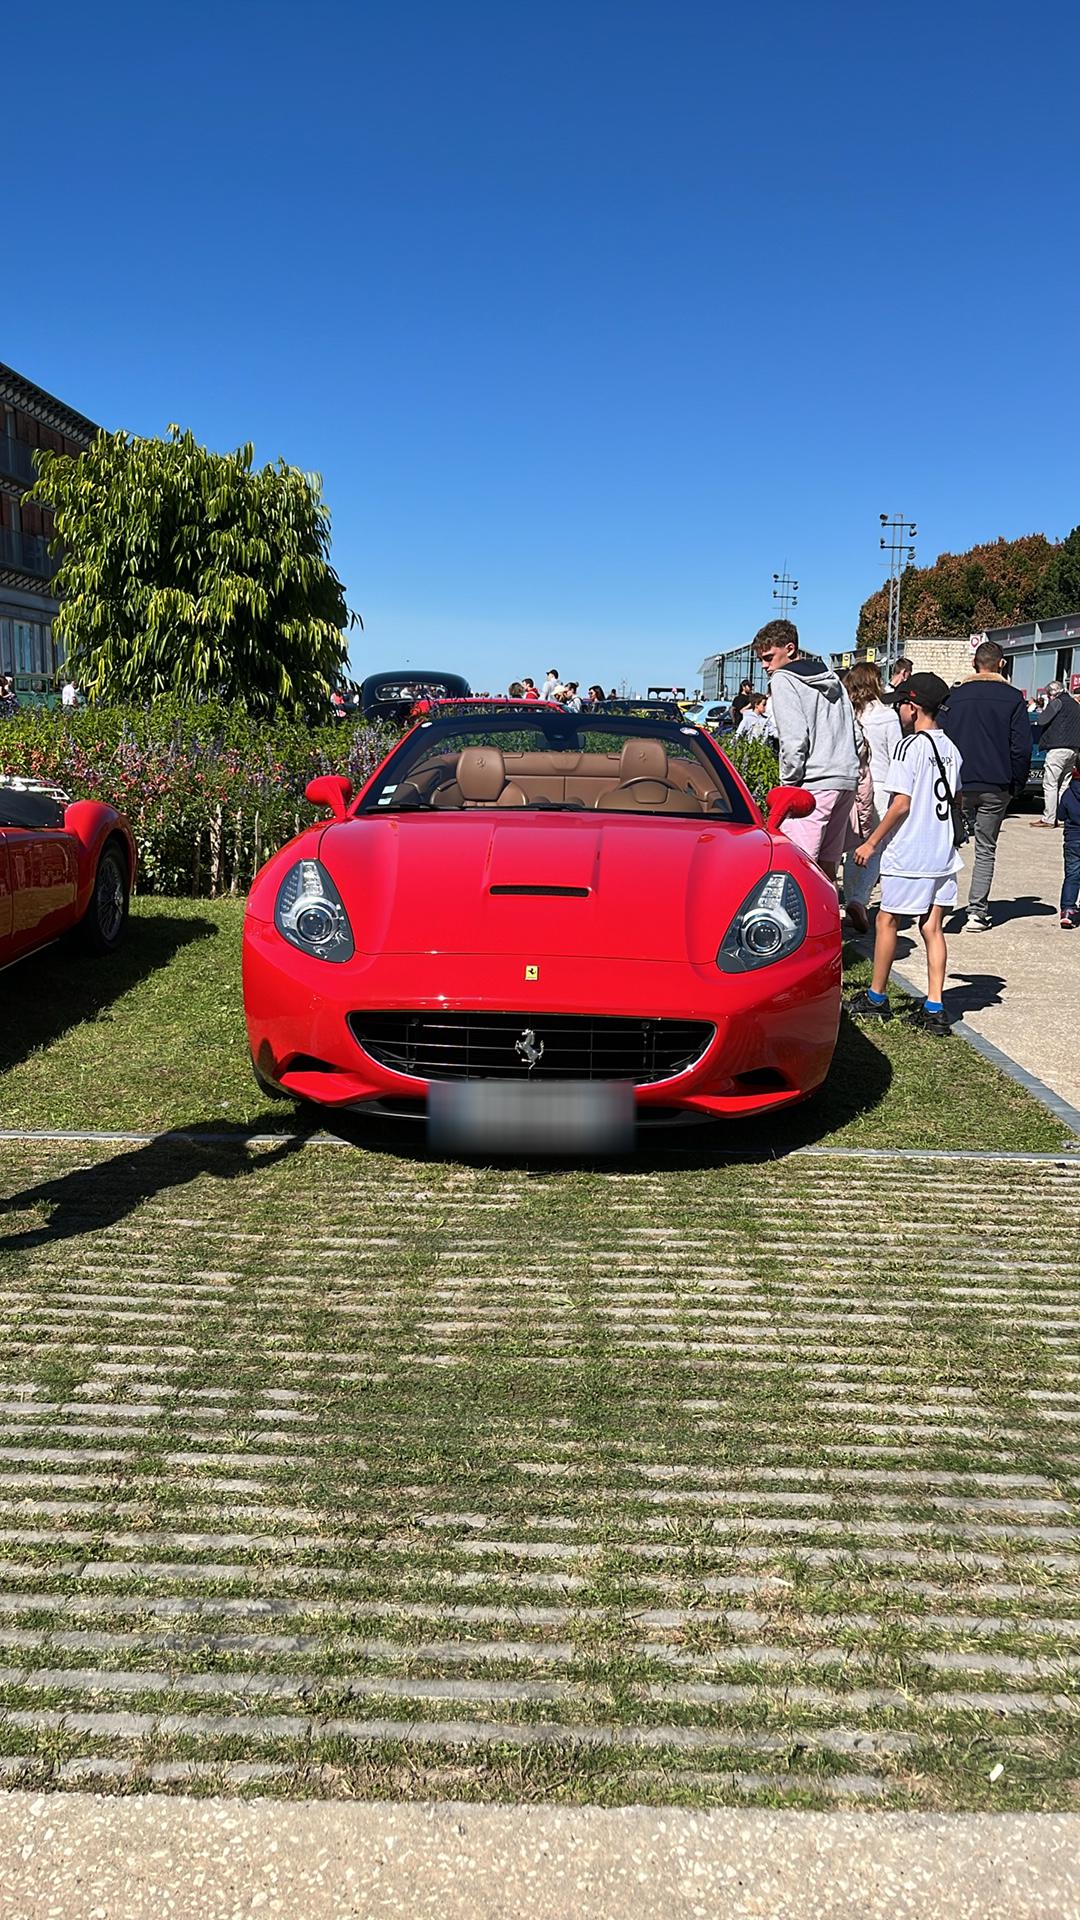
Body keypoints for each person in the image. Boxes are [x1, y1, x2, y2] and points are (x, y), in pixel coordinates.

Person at [847, 673, 963, 1036]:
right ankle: (934, 1006)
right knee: (932, 926)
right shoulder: (951, 748)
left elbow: (900, 805)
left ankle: (877, 997)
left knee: (886, 922)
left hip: (910, 851)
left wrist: (871, 842)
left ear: (913, 707)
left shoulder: (908, 748)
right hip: (943, 852)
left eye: (901, 703)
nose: (898, 709)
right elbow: (956, 797)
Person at [752, 619, 861, 882]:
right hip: (846, 778)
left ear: (789, 648)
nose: (766, 666)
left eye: (769, 657)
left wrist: (788, 785)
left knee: (798, 865)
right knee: (827, 864)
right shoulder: (832, 676)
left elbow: (794, 739)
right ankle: (831, 918)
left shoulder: (783, 679)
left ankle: (809, 923)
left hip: (813, 783)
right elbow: (856, 733)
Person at [938, 639, 1030, 930]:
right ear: (1001, 664)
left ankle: (936, 907)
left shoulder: (954, 698)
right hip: (996, 782)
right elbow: (1021, 747)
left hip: (958, 783)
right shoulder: (1013, 698)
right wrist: (1017, 783)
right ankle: (977, 912)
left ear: (973, 664)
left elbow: (940, 738)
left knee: (946, 845)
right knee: (985, 848)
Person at [841, 661, 903, 934]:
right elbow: (896, 754)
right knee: (876, 845)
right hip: (881, 782)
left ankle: (849, 898)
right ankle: (859, 899)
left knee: (851, 844)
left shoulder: (847, 714)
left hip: (851, 783)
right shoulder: (888, 716)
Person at [1032, 681, 1080, 828]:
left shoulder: (1057, 702)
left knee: (1050, 784)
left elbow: (1041, 720)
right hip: (1073, 749)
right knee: (1064, 784)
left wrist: (1047, 705)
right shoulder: (1075, 705)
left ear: (1052, 694)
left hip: (1057, 748)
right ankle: (1062, 817)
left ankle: (1048, 818)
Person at [1059, 755, 1080, 929]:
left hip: (1073, 839)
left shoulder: (1069, 791)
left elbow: (1060, 815)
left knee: (1072, 875)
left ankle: (1068, 910)